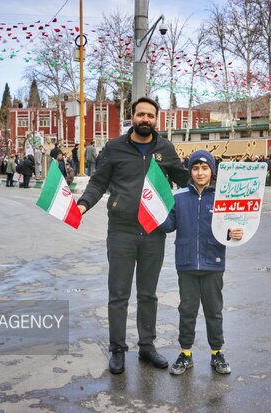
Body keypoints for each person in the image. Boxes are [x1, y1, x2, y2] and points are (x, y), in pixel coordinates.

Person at [77, 97, 188, 374]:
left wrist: (211, 185)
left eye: (151, 115)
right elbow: (98, 182)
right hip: (121, 232)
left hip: (154, 232)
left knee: (148, 294)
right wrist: (83, 204)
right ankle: (117, 349)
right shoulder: (114, 147)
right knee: (119, 294)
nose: (146, 119)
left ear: (156, 119)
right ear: (133, 117)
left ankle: (147, 347)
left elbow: (185, 179)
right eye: (141, 114)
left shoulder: (165, 149)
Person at [160, 150, 242, 376]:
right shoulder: (179, 197)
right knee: (187, 310)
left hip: (213, 263)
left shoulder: (222, 199)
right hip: (186, 264)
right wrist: (155, 213)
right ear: (190, 171)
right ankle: (186, 353)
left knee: (214, 311)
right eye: (195, 168)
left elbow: (234, 226)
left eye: (205, 168)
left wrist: (237, 232)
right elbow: (168, 226)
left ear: (212, 172)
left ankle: (217, 352)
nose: (200, 172)